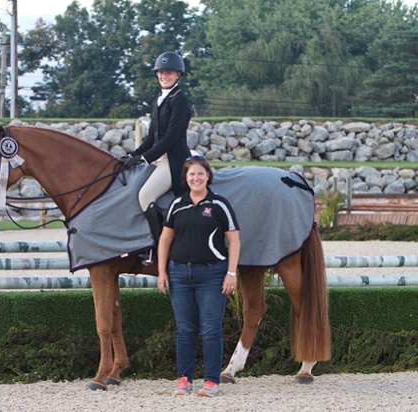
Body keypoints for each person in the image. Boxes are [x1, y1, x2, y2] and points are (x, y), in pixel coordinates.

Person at [157, 155, 241, 397]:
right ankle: (184, 380)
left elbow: (233, 239)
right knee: (184, 329)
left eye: (200, 174)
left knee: (210, 329)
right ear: (186, 177)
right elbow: (165, 239)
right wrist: (162, 271)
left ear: (208, 176)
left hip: (212, 274)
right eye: (191, 174)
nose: (196, 178)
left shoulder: (219, 205)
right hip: (180, 274)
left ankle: (212, 381)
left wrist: (231, 273)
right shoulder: (176, 205)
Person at [123, 51, 192, 264]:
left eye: (169, 73)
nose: (164, 76)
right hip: (159, 158)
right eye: (161, 73)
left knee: (145, 196)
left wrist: (145, 158)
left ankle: (158, 247)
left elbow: (171, 137)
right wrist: (133, 155)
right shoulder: (159, 100)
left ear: (178, 75)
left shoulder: (179, 101)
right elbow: (153, 136)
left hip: (173, 161)